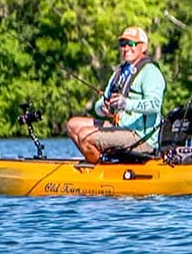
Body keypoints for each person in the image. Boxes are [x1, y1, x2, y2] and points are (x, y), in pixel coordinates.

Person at [66, 26, 167, 163]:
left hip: (141, 138)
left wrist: (125, 103)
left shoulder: (151, 72)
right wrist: (103, 107)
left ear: (143, 47)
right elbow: (99, 104)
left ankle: (101, 171)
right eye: (122, 44)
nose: (126, 48)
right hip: (120, 128)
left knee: (85, 136)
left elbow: (155, 105)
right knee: (73, 125)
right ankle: (98, 161)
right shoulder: (120, 72)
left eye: (131, 44)